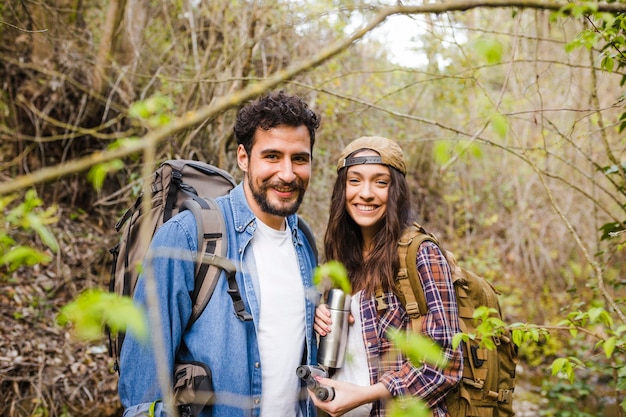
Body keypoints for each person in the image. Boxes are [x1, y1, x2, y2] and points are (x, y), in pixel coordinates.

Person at [118, 91, 322, 417]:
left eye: (299, 158)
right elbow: (143, 392)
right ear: (243, 157)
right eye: (272, 156)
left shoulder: (306, 243)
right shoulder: (187, 238)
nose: (287, 173)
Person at [311, 136, 463, 417]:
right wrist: (318, 318)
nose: (366, 193)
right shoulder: (340, 258)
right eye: (354, 181)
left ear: (396, 191)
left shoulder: (420, 254)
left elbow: (446, 362)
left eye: (380, 182)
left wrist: (367, 395)